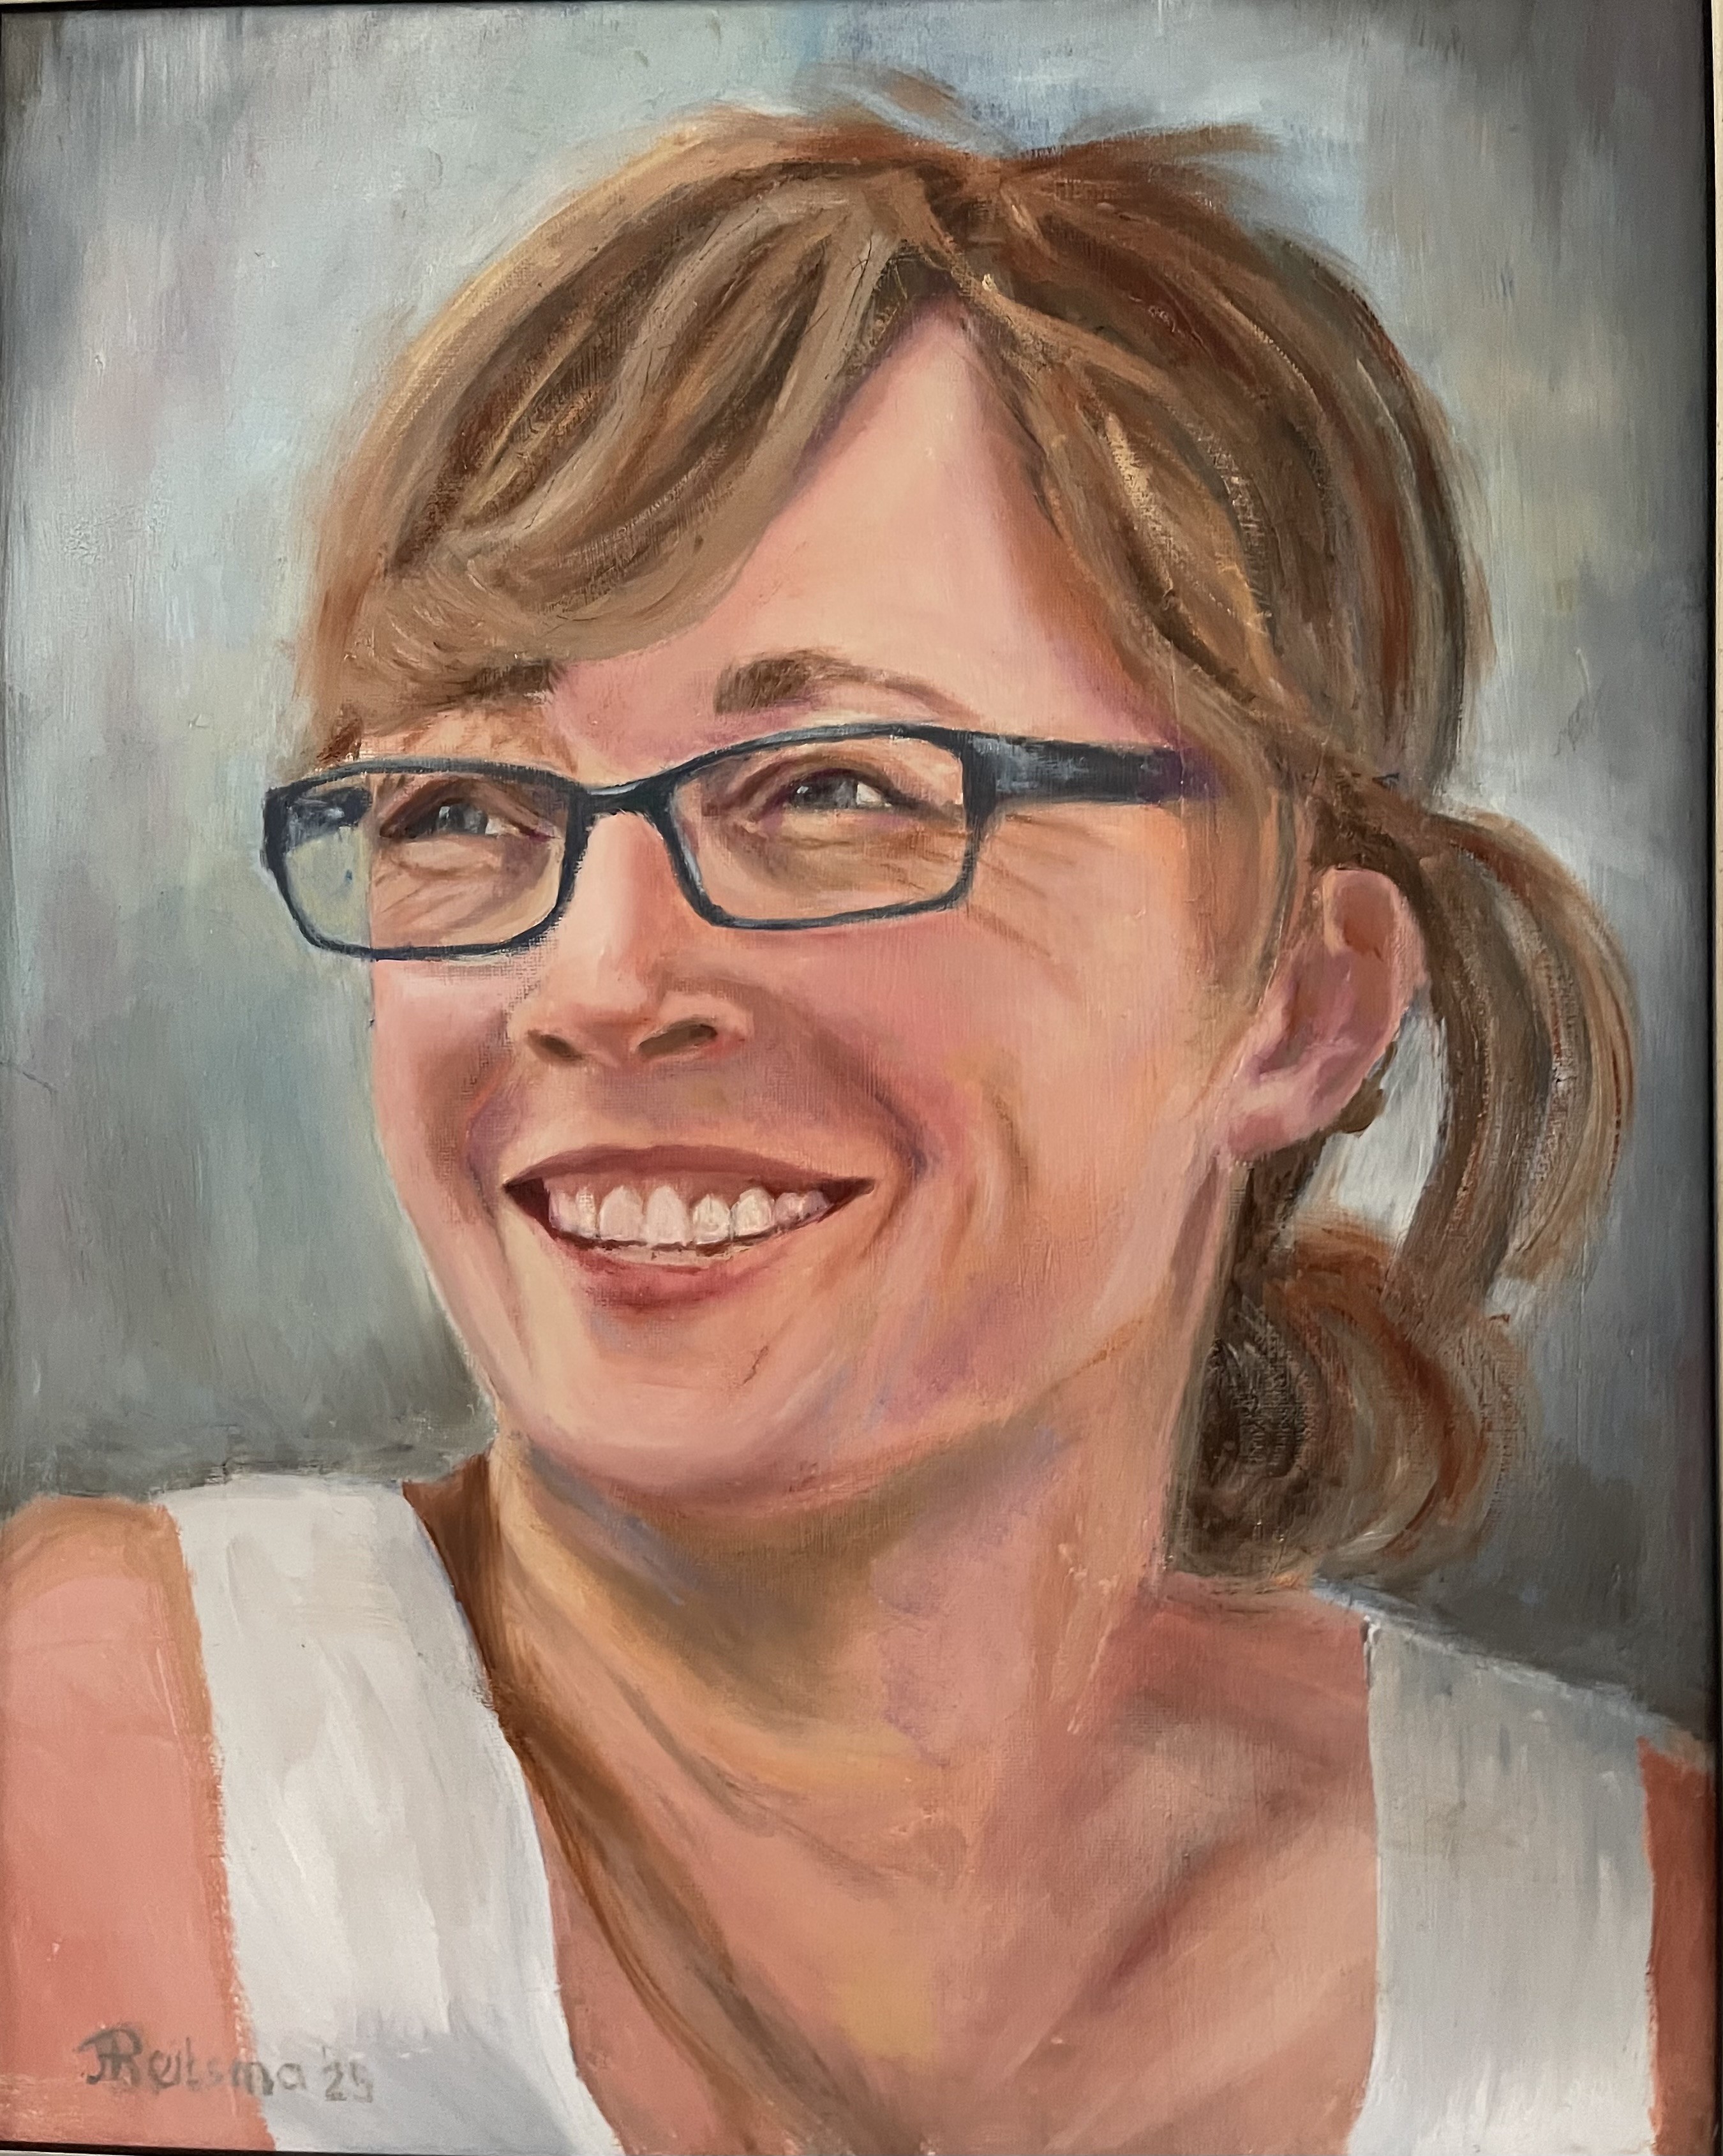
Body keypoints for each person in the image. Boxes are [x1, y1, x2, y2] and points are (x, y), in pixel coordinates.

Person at [1, 98, 1712, 2156]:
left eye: (831, 791)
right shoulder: (84, 1761)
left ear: (1300, 997)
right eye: (460, 807)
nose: (596, 979)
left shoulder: (1623, 1961)